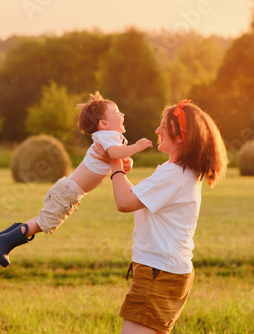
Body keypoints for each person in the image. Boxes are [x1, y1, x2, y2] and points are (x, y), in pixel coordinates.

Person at [92, 100, 228, 333]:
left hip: (158, 272)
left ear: (181, 136)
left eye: (163, 127)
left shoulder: (174, 174)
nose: (157, 131)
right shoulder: (183, 173)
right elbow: (137, 197)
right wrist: (120, 170)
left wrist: (114, 160)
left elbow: (124, 203)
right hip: (166, 270)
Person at [0, 92, 153, 267]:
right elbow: (115, 154)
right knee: (45, 223)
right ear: (103, 124)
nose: (122, 114)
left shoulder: (113, 138)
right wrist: (137, 147)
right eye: (117, 112)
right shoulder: (107, 136)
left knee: (43, 219)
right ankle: (3, 243)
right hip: (68, 192)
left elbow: (119, 158)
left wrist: (128, 162)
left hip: (69, 191)